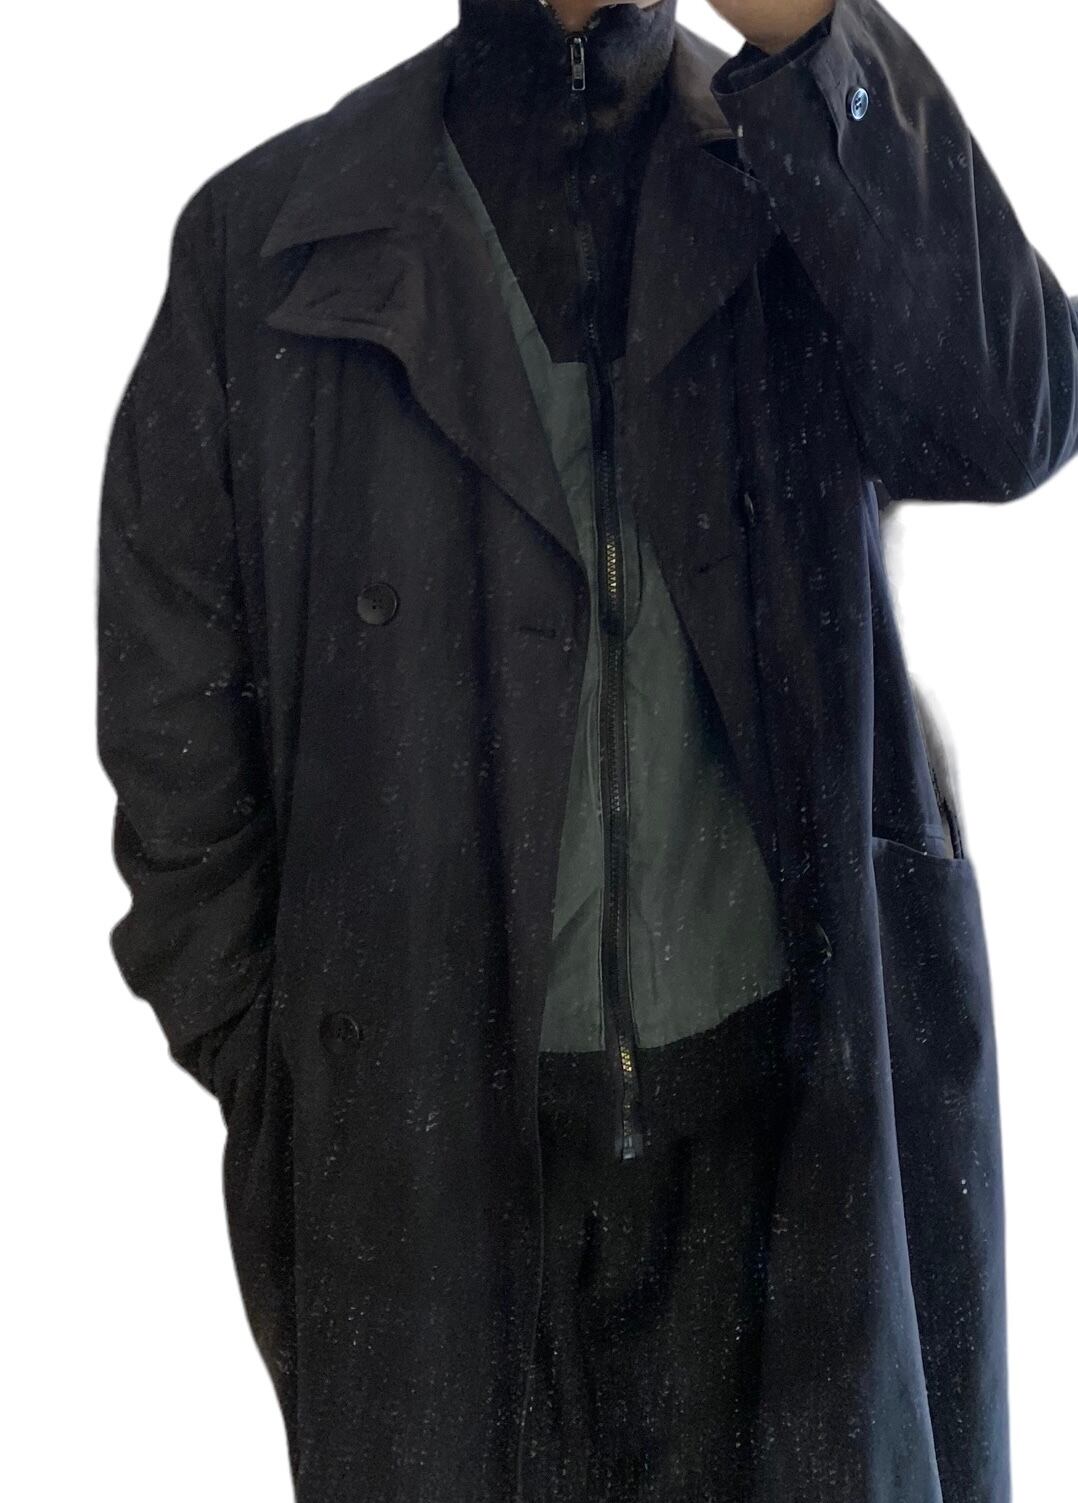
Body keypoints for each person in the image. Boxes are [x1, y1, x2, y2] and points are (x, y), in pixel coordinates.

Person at [95, 2, 1077, 1500]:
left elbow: (1010, 411)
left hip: (795, 1147)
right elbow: (175, 745)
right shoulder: (267, 243)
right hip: (439, 1180)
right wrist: (308, 1087)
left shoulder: (794, 163)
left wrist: (815, 38)